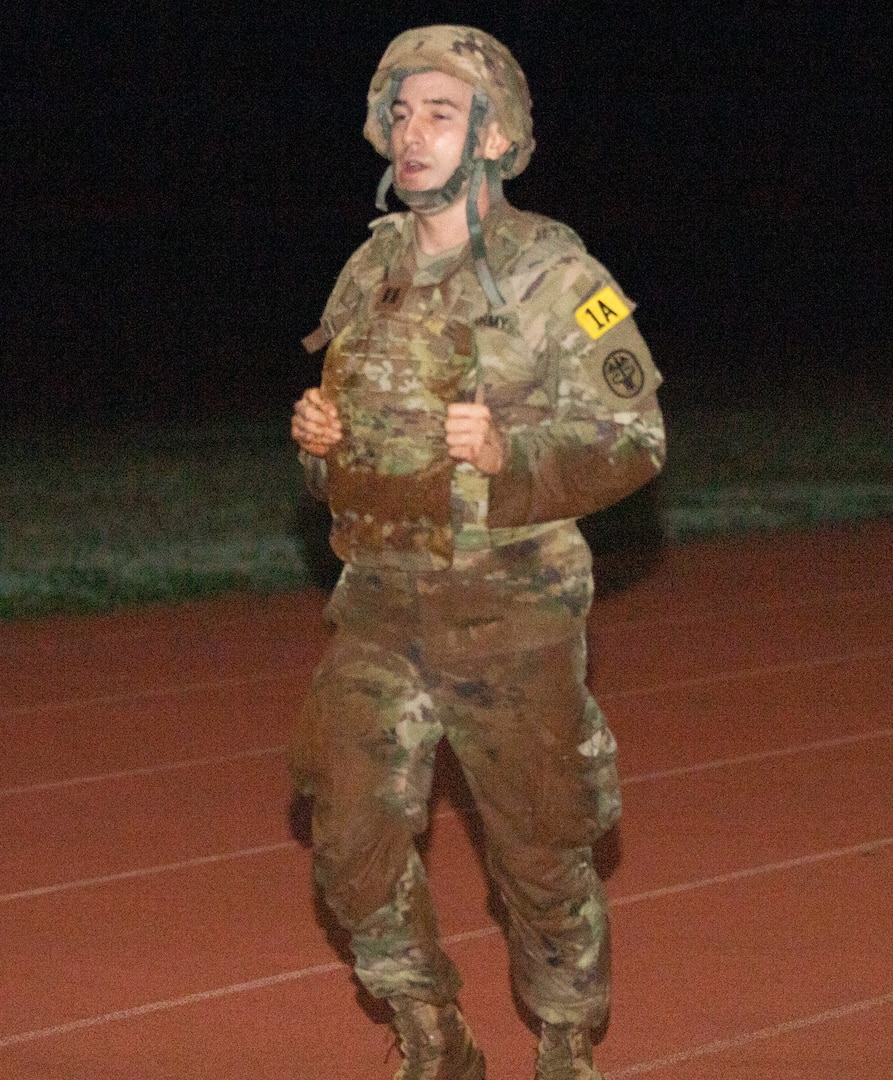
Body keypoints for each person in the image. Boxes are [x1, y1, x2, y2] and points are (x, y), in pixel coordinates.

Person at [289, 25, 665, 1080]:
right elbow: (352, 449)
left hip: (513, 611)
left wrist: (513, 454)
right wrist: (320, 448)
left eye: (440, 114)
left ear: (493, 134)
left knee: (540, 852)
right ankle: (431, 1037)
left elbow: (638, 440)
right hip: (379, 604)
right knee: (350, 838)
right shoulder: (369, 269)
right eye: (401, 114)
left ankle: (562, 1045)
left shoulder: (562, 274)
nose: (413, 135)